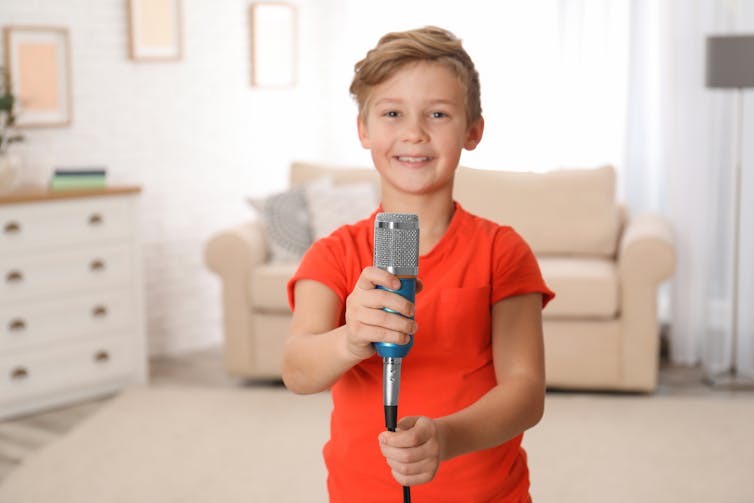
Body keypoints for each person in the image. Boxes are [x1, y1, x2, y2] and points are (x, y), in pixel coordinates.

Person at [283, 26, 554, 503]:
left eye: (438, 113)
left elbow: (526, 391)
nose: (414, 132)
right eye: (392, 113)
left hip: (487, 494)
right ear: (363, 129)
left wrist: (448, 437)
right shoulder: (333, 254)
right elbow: (298, 370)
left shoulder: (502, 252)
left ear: (473, 130)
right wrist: (349, 339)